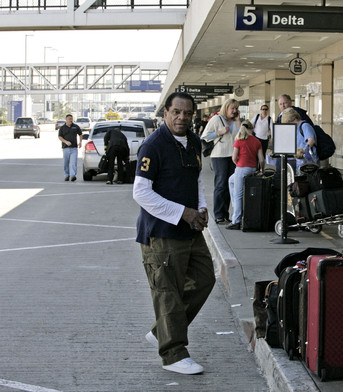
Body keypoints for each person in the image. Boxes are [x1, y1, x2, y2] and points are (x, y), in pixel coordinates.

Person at [132, 91, 215, 375]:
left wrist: (201, 209)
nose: (182, 118)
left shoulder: (192, 141)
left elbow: (196, 180)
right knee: (168, 292)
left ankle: (162, 331)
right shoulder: (153, 146)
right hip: (162, 234)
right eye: (176, 112)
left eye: (187, 113)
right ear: (165, 113)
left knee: (205, 279)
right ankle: (173, 354)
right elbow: (141, 193)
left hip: (190, 231)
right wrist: (183, 212)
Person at [200, 98, 241, 224]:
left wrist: (238, 121)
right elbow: (205, 136)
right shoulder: (216, 119)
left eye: (236, 108)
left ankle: (225, 214)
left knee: (230, 185)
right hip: (219, 156)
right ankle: (218, 214)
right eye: (232, 108)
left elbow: (240, 136)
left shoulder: (236, 121)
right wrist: (219, 132)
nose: (234, 111)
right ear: (226, 108)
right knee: (221, 184)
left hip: (233, 156)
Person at [226, 120, 265, 230]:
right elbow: (261, 159)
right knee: (231, 180)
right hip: (252, 169)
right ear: (252, 129)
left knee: (238, 195)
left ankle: (236, 220)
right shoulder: (257, 141)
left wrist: (239, 164)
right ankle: (237, 209)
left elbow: (234, 158)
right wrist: (262, 169)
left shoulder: (239, 140)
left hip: (241, 168)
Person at [281, 108, 318, 173]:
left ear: (295, 118)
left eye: (290, 122)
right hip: (298, 162)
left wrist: (304, 150)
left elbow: (311, 140)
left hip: (308, 163)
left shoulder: (305, 126)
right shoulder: (295, 129)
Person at [58, 114, 82, 181]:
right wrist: (66, 142)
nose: (70, 120)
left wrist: (80, 142)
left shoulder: (75, 127)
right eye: (69, 119)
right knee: (66, 163)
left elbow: (80, 134)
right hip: (65, 148)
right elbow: (60, 137)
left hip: (74, 148)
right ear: (66, 119)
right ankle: (66, 175)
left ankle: (73, 175)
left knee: (73, 162)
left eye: (71, 119)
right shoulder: (62, 128)